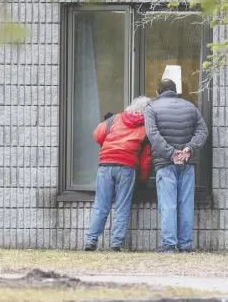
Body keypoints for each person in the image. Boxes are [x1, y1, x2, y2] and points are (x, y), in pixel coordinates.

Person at [145, 79, 208, 253]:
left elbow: (153, 134)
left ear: (158, 93)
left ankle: (169, 245)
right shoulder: (190, 106)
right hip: (187, 164)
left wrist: (171, 154)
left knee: (168, 205)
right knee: (186, 204)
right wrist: (189, 149)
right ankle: (186, 245)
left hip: (165, 164)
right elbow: (203, 131)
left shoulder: (151, 108)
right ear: (175, 91)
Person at [85, 96, 152, 252]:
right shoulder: (146, 128)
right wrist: (142, 179)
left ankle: (91, 241)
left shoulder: (115, 118)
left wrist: (109, 147)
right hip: (127, 167)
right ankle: (116, 243)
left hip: (105, 164)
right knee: (122, 205)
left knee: (101, 205)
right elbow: (146, 159)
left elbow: (98, 135)